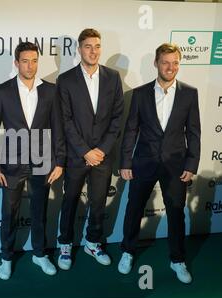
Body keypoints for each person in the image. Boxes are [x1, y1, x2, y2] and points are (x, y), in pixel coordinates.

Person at [118, 43, 200, 284]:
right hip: (143, 162)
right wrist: (125, 162)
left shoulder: (189, 93)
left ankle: (177, 259)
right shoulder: (140, 93)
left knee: (176, 213)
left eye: (175, 62)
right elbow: (131, 130)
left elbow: (193, 132)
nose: (171, 67)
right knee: (133, 209)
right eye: (165, 62)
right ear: (156, 63)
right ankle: (127, 251)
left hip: (176, 165)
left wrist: (191, 163)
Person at [0, 42, 66, 280]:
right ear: (16, 63)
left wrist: (59, 161)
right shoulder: (2, 91)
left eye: (34, 60)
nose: (30, 65)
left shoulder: (51, 90)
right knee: (9, 213)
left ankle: (40, 254)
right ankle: (7, 257)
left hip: (43, 163)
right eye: (25, 61)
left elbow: (59, 129)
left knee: (40, 211)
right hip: (10, 164)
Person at [57, 28, 124, 269]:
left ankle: (93, 242)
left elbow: (117, 118)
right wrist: (85, 151)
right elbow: (65, 120)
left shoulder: (113, 77)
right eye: (88, 46)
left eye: (97, 46)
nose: (93, 51)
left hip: (103, 157)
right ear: (79, 49)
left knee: (97, 203)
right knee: (70, 200)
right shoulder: (65, 80)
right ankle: (65, 243)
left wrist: (102, 150)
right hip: (77, 156)